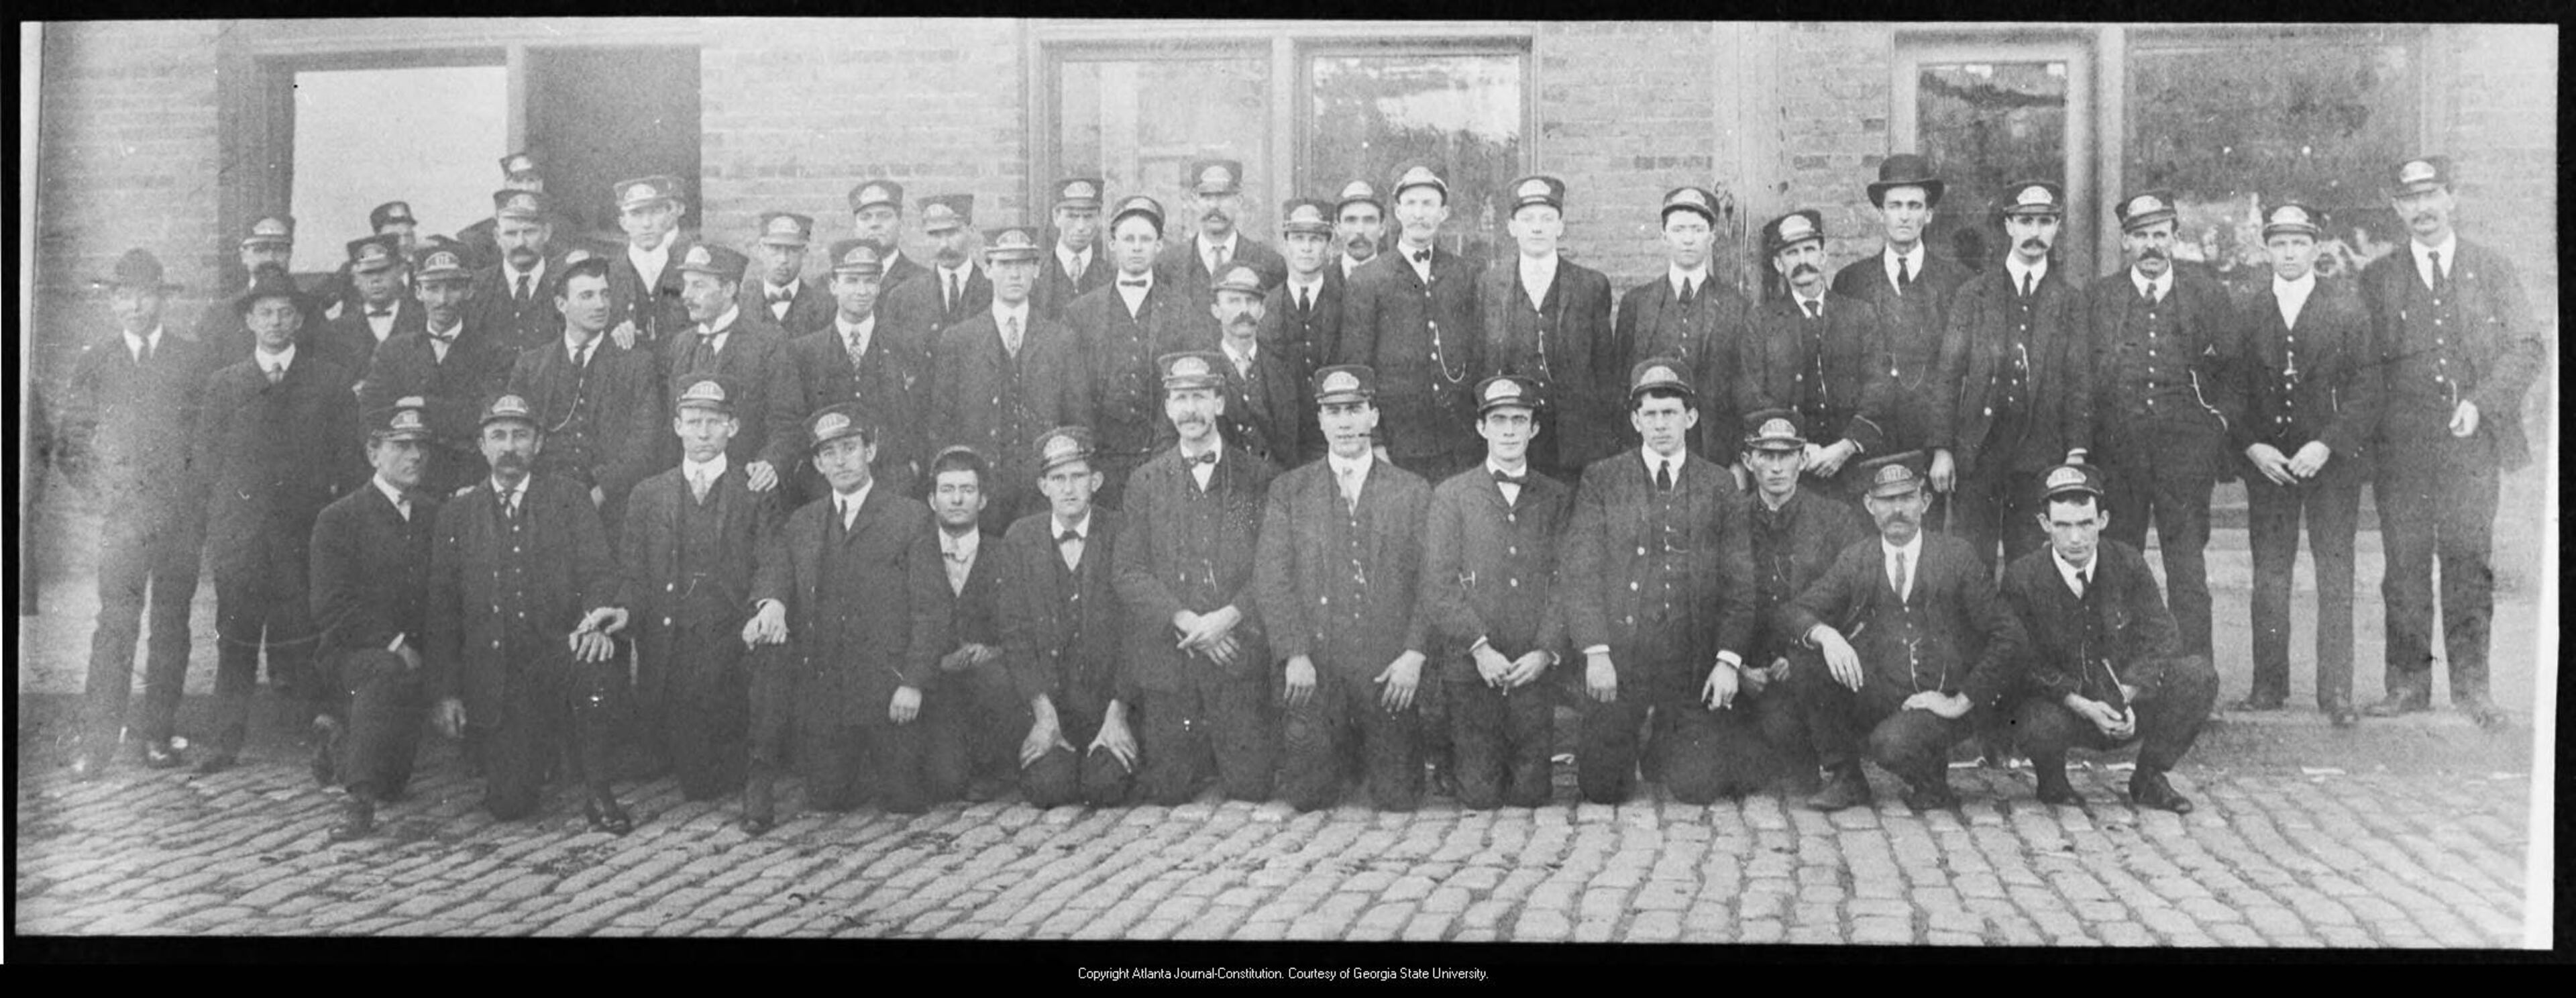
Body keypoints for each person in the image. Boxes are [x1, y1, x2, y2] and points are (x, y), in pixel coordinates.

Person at [2358, 156, 2544, 728]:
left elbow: (2527, 347)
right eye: (2410, 199)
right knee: (2404, 566)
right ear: (2397, 209)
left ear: (2452, 199)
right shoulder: (2378, 278)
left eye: (2432, 195)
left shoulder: (2491, 268)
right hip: (2401, 449)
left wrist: (2481, 403)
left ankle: (2472, 688)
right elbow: (2361, 362)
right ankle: (2407, 684)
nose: (2423, 208)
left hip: (2470, 445)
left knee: (2468, 562)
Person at [425, 394, 635, 832]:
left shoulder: (568, 499)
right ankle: (532, 754)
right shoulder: (458, 514)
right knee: (509, 804)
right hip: (498, 673)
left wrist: (595, 622)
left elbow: (599, 571)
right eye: (498, 436)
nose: (509, 447)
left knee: (599, 662)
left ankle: (599, 790)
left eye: (520, 436)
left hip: (559, 655)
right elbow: (442, 610)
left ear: (538, 444)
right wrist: (446, 691)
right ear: (482, 445)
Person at [1560, 359, 1760, 805]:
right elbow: (1581, 573)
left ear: (1691, 417)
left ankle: (1666, 741)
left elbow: (1740, 584)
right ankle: (1634, 738)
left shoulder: (1719, 484)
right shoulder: (1602, 480)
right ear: (1635, 420)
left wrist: (1728, 661)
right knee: (1603, 789)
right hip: (1622, 660)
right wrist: (1596, 652)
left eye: (1670, 412)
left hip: (1690, 662)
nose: (1660, 424)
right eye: (1649, 414)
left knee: (1698, 788)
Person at [743, 405, 951, 825]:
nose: (841, 461)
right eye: (829, 453)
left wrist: (912, 684)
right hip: (829, 696)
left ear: (870, 451)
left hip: (888, 694)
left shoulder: (910, 518)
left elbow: (932, 610)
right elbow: (777, 569)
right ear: (818, 464)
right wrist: (773, 602)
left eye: (850, 448)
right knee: (827, 798)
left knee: (904, 799)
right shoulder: (804, 522)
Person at [1782, 454, 2026, 811]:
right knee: (1807, 655)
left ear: (1925, 502)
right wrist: (1827, 636)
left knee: (1892, 745)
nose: (1897, 510)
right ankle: (1847, 778)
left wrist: (1960, 701)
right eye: (1886, 500)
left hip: (1941, 698)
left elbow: (2009, 635)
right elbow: (1795, 611)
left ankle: (1931, 782)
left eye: (1907, 498)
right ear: (1870, 506)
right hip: (1880, 692)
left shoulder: (1956, 557)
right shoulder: (1857, 559)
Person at [193, 270, 364, 773]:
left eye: (285, 312)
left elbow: (349, 463)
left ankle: (319, 739)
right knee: (236, 639)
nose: (275, 321)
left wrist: (334, 534)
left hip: (305, 537)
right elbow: (206, 465)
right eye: (265, 312)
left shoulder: (328, 381)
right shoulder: (225, 384)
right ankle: (225, 740)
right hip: (243, 540)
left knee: (306, 638)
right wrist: (224, 530)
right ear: (249, 320)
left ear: (300, 320)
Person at [58, 249, 212, 776]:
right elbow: (71, 443)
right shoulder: (96, 361)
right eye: (124, 296)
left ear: (161, 299)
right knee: (115, 626)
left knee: (171, 625)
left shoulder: (192, 359)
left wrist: (191, 499)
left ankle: (158, 734)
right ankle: (97, 741)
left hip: (178, 521)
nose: (135, 306)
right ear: (113, 302)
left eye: (145, 295)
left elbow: (209, 439)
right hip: (124, 522)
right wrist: (107, 497)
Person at [1256, 364, 1436, 811]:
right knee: (1309, 797)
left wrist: (1414, 654)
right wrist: (1294, 653)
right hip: (1319, 667)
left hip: (1386, 669)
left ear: (1374, 415)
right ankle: (1341, 751)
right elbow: (1272, 576)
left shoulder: (1412, 491)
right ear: (1320, 420)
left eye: (1355, 409)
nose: (1345, 422)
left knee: (1398, 797)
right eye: (1333, 412)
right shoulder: (1290, 491)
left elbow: (1431, 580)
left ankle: (1368, 749)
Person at [2233, 202, 2378, 726]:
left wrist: (2328, 444)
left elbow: (2367, 387)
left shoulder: (2347, 308)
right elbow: (2230, 388)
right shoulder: (2247, 309)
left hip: (2329, 466)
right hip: (2270, 466)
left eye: (2299, 243)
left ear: (2316, 247)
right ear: (2267, 248)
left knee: (2335, 574)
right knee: (2270, 575)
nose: (2290, 253)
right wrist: (2252, 446)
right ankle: (2268, 686)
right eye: (2280, 243)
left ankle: (2336, 690)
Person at [1113, 352, 1281, 805]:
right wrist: (1185, 620)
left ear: (1220, 403)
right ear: (1168, 407)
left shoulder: (1255, 479)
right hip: (1176, 653)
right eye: (1181, 398)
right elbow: (1129, 571)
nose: (1191, 410)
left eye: (1201, 397)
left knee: (1251, 787)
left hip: (1235, 649)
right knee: (1168, 790)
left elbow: (1270, 565)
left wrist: (1229, 617)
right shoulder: (1146, 483)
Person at [2086, 189, 2243, 668]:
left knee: (2187, 568)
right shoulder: (2100, 298)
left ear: (2175, 237)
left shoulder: (2206, 294)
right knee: (2118, 565)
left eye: (2159, 234)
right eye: (2140, 236)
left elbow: (2234, 370)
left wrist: (2217, 426)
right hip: (2120, 455)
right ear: (2125, 242)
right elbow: (2082, 375)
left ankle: (2194, 675)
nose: (2151, 245)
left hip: (2185, 458)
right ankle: (2122, 674)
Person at [2002, 464, 2215, 813]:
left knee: (2197, 675)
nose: (2076, 538)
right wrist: (2082, 705)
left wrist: (2126, 694)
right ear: (2044, 524)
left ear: (2102, 520)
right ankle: (2052, 779)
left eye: (2086, 524)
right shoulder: (2022, 577)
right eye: (2063, 525)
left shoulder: (2127, 563)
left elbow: (2161, 635)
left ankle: (2149, 776)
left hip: (2124, 702)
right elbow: (2022, 660)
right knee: (2035, 720)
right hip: (2066, 707)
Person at [619, 375, 783, 804]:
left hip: (730, 642)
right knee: (696, 782)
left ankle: (750, 763)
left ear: (733, 427)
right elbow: (633, 573)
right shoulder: (648, 495)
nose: (704, 433)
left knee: (713, 773)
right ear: (677, 427)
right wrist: (624, 611)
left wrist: (767, 604)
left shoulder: (753, 490)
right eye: (694, 422)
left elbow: (770, 559)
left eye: (715, 421)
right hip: (671, 644)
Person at [1421, 375, 1573, 809]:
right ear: (1481, 427)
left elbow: (1568, 580)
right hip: (1473, 666)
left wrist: (1545, 651)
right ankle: (1461, 758)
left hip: (1530, 665)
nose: (1509, 431)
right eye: (1499, 420)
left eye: (1519, 420)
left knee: (1531, 794)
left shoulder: (1556, 496)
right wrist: (1479, 647)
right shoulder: (1452, 495)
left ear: (1534, 429)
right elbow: (1438, 583)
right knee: (1480, 796)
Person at [1929, 181, 2092, 571]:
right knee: (1971, 563)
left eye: (2045, 222)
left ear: (2056, 227)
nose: (2035, 232)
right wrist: (1942, 448)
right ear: (2008, 226)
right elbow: (1948, 374)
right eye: (2025, 221)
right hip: (1979, 452)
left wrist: (2077, 449)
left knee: (2031, 566)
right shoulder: (1973, 294)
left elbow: (2079, 381)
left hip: (2039, 454)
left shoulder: (2070, 300)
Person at [307, 397, 441, 840]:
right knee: (383, 671)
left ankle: (337, 742)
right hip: (353, 655)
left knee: (394, 784)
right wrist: (395, 643)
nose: (415, 456)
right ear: (373, 453)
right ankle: (358, 804)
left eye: (421, 446)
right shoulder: (340, 518)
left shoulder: (434, 514)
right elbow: (331, 606)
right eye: (401, 446)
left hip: (416, 659)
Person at [998, 428, 1139, 807]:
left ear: (1096, 481)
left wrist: (1119, 713)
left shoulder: (1122, 532)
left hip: (1109, 704)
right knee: (1049, 790)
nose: (1069, 488)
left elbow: (1137, 630)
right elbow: (1015, 633)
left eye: (1078, 476)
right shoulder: (1021, 538)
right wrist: (1043, 716)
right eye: (1058, 478)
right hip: (1052, 707)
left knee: (1105, 787)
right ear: (1043, 486)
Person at [1735, 409, 1870, 795]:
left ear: (1803, 458)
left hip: (1810, 664)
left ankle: (1836, 767)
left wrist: (1800, 655)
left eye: (1787, 455)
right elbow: (1711, 598)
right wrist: (1739, 666)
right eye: (1766, 456)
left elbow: (1856, 599)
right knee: (1735, 773)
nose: (1777, 467)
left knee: (1790, 751)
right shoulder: (1731, 518)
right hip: (1750, 669)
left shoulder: (1835, 519)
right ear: (1748, 461)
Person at [928, 226, 1087, 526]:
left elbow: (1077, 420)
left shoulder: (1061, 340)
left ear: (1037, 270)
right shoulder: (959, 340)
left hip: (1041, 492)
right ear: (988, 269)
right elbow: (942, 424)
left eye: (1023, 264)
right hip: (983, 492)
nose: (1015, 275)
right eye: (1004, 264)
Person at [504, 254, 664, 546]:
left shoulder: (635, 363)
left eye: (605, 294)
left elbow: (644, 444)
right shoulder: (532, 365)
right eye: (587, 296)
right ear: (561, 304)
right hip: (541, 505)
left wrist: (601, 492)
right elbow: (515, 435)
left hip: (611, 508)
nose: (600, 305)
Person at [1337, 165, 1484, 485]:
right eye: (1412, 204)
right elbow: (1356, 368)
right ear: (1398, 212)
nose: (1419, 214)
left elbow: (1479, 356)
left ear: (1443, 213)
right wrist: (1375, 442)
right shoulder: (1368, 280)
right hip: (1398, 444)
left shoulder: (1466, 275)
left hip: (1460, 444)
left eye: (1428, 204)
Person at [1735, 209, 1891, 503]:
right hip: (1791, 468)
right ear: (1779, 264)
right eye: (1792, 253)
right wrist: (1798, 447)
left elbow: (1879, 387)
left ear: (1823, 256)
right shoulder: (1761, 323)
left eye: (1809, 249)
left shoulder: (1859, 315)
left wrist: (1846, 446)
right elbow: (1752, 395)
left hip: (1853, 465)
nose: (1802, 260)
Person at [1064, 196, 1210, 509]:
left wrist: (1166, 448)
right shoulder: (1082, 312)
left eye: (1145, 240)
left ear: (1159, 246)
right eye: (1128, 239)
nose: (1136, 247)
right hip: (1102, 461)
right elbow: (1074, 395)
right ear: (1112, 244)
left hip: (1163, 456)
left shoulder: (1181, 309)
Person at [1479, 175, 1620, 483]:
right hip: (1515, 438)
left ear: (1560, 226)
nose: (1537, 228)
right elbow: (1485, 364)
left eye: (1547, 219)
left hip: (1574, 443)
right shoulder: (1490, 285)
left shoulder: (1591, 286)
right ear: (1512, 227)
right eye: (1527, 219)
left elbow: (1605, 373)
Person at [1832, 154, 1970, 466]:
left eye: (1914, 206)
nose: (1904, 216)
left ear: (1929, 214)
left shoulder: (1958, 282)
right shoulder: (1851, 281)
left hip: (1933, 443)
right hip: (1870, 442)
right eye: (1895, 206)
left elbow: (1963, 376)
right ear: (1881, 213)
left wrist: (1945, 447)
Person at [770, 240, 921, 511]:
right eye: (851, 281)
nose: (862, 291)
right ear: (833, 286)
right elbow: (791, 421)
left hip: (893, 486)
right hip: (822, 489)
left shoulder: (906, 346)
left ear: (879, 286)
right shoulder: (804, 352)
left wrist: (911, 469)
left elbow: (918, 418)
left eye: (870, 281)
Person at [358, 244, 516, 497]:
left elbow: (487, 419)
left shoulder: (494, 353)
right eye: (432, 288)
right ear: (418, 292)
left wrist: (424, 405)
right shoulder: (393, 351)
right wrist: (452, 415)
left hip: (470, 482)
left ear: (469, 290)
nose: (442, 300)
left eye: (453, 288)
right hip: (409, 483)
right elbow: (372, 415)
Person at [1613, 187, 1752, 460]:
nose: (1688, 239)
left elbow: (1743, 388)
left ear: (1712, 236)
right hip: (1650, 446)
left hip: (1713, 449)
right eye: (1678, 230)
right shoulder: (1637, 303)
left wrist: (1737, 459)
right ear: (1664, 236)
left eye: (1698, 230)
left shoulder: (1735, 305)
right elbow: (1621, 385)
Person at [922, 446, 1016, 801]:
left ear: (983, 499)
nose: (958, 500)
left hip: (988, 683)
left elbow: (1021, 624)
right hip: (936, 684)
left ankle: (994, 768)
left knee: (997, 680)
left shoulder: (1005, 554)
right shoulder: (915, 553)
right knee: (945, 783)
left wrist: (994, 651)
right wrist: (938, 661)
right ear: (932, 500)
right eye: (947, 490)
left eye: (967, 490)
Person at [664, 244, 789, 493]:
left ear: (729, 289)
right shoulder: (681, 344)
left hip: (746, 484)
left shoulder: (768, 343)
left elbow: (786, 421)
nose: (686, 295)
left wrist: (770, 463)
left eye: (698, 286)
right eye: (686, 285)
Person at [1210, 262, 1318, 473]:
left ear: (1262, 310)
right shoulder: (1205, 370)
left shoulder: (1287, 367)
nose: (1244, 310)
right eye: (1233, 301)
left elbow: (1312, 439)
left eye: (1251, 301)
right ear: (1216, 310)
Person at [879, 194, 991, 383]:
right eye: (934, 235)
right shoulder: (904, 297)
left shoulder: (994, 292)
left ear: (972, 231)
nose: (944, 244)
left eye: (952, 233)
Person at [1157, 158, 1287, 315]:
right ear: (1194, 201)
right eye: (1206, 197)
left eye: (1223, 196)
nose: (1214, 205)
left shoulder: (1269, 263)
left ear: (1239, 200)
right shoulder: (1167, 265)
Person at [195, 215, 326, 362]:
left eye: (280, 250)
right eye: (260, 250)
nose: (270, 258)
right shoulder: (219, 315)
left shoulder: (311, 313)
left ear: (290, 255)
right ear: (244, 256)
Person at [602, 174, 697, 352]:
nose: (647, 224)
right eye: (636, 214)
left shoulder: (688, 270)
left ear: (668, 217)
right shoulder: (607, 274)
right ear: (623, 223)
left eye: (655, 212)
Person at [470, 189, 568, 355]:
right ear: (497, 237)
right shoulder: (477, 287)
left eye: (529, 232)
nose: (520, 243)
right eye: (511, 233)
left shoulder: (566, 284)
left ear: (546, 233)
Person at [319, 234, 422, 381]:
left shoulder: (422, 322)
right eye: (367, 273)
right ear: (355, 278)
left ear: (400, 272)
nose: (376, 280)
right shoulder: (335, 332)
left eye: (383, 270)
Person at [1265, 197, 1344, 384]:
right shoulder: (1267, 304)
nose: (1306, 248)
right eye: (1298, 238)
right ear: (1285, 244)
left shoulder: (1346, 299)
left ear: (1330, 246)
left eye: (1315, 239)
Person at [737, 211, 834, 336]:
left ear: (805, 252)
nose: (783, 259)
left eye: (793, 250)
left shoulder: (824, 308)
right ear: (761, 250)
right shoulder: (741, 305)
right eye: (775, 249)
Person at [1032, 177, 1114, 324]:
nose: (1081, 226)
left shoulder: (1111, 276)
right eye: (1072, 216)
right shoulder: (1036, 274)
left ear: (1100, 218)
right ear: (1056, 217)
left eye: (1088, 217)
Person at [847, 179, 930, 294]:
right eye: (865, 218)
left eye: (884, 216)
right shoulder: (839, 281)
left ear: (901, 223)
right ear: (855, 227)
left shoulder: (923, 280)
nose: (874, 224)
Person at [1332, 180, 1387, 281]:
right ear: (1338, 228)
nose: (1360, 230)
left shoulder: (1400, 280)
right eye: (1351, 220)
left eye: (1369, 220)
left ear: (1382, 228)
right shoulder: (1320, 278)